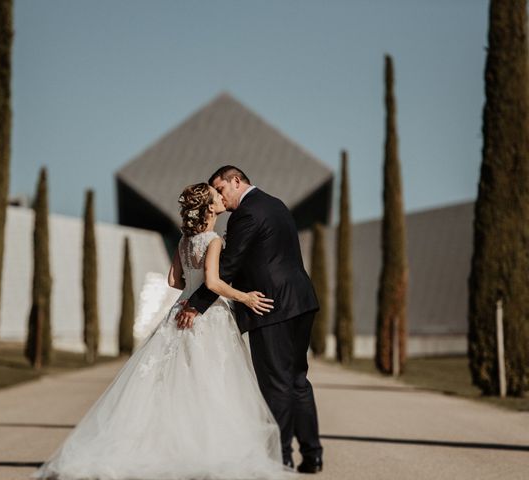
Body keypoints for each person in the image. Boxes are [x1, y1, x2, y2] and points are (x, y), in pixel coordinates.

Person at [31, 182, 295, 480]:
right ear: (210, 208)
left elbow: (173, 280)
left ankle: (165, 445)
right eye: (217, 196)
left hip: (180, 309)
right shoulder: (214, 241)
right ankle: (203, 448)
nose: (222, 199)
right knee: (209, 380)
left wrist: (189, 290)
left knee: (173, 379)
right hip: (207, 317)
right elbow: (212, 283)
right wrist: (245, 296)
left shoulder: (184, 240)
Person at [176, 166, 323, 473]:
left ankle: (280, 458)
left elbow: (228, 267)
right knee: (297, 380)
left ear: (236, 181)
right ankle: (312, 454)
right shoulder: (275, 204)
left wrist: (195, 306)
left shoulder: (246, 213)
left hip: (270, 307)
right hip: (301, 300)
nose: (219, 196)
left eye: (221, 189)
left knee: (276, 384)